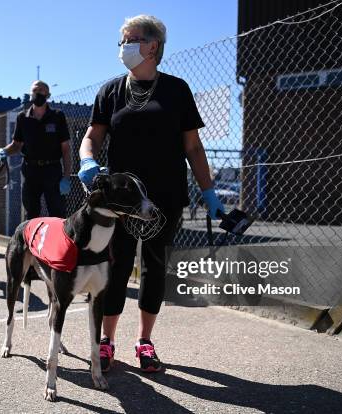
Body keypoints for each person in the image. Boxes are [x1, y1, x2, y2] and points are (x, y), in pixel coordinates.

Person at [78, 15, 225, 373]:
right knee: (116, 266)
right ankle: (107, 342)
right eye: (121, 41)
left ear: (152, 45)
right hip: (120, 201)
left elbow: (193, 146)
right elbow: (92, 136)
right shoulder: (110, 91)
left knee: (155, 267)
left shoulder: (177, 91)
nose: (122, 47)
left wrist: (209, 193)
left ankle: (145, 342)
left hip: (164, 197)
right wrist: (86, 159)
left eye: (129, 39)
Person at [0, 80, 72, 219]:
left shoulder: (57, 116)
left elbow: (66, 149)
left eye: (41, 90)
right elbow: (16, 145)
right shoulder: (23, 118)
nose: (37, 93)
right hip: (31, 171)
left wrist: (66, 177)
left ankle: (56, 240)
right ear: (30, 94)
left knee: (57, 214)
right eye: (34, 91)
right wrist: (5, 151)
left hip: (52, 171)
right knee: (31, 214)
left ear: (48, 95)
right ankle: (31, 241)